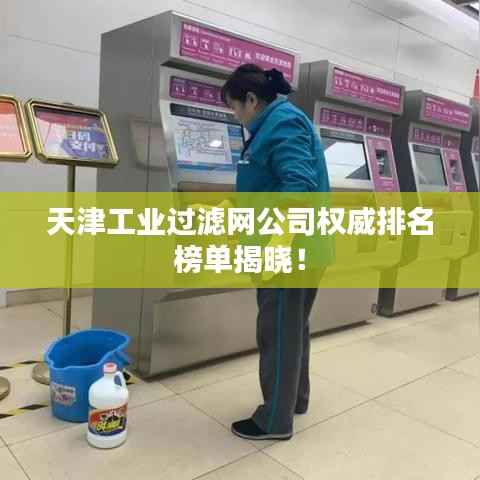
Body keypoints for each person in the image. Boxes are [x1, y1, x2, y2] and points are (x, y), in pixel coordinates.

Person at [220, 64, 331, 441]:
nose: (235, 115)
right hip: (299, 249)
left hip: (288, 253)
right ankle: (294, 400)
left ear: (252, 99)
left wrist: (277, 245)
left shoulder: (282, 122)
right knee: (292, 327)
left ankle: (274, 420)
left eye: (234, 107)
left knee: (277, 332)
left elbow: (298, 186)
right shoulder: (277, 122)